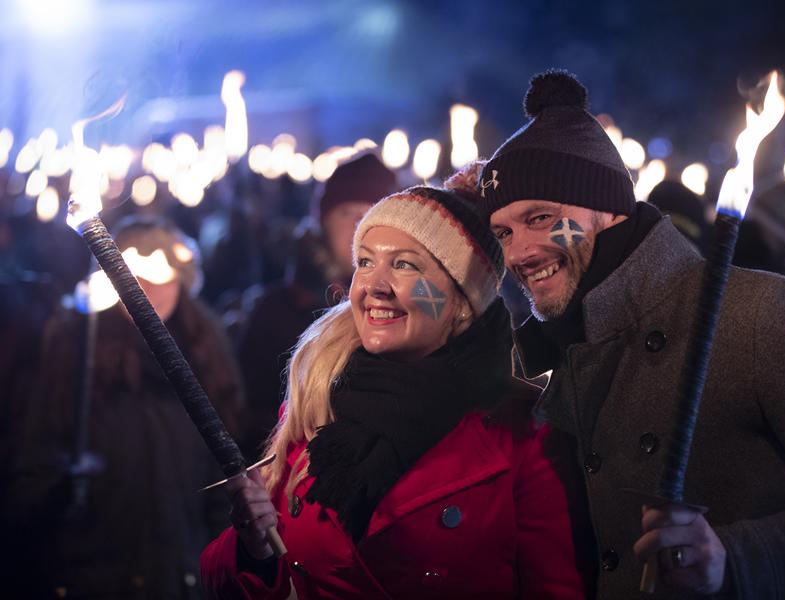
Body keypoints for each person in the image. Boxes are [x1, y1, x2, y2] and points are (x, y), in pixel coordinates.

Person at [471, 69, 785, 599]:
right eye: (504, 232)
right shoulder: (553, 357)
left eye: (541, 217)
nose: (519, 253)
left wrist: (734, 558)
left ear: (609, 209)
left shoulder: (756, 314)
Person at [201, 186, 586, 599]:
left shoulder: (523, 438)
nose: (374, 285)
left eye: (404, 265)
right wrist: (253, 552)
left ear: (462, 302)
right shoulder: (319, 396)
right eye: (365, 262)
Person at [5, 216, 244, 599]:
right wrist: (61, 489)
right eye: (133, 275)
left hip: (180, 580)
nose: (147, 288)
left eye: (163, 274)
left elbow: (220, 482)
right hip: (93, 579)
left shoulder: (205, 358)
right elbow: (27, 477)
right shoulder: (72, 358)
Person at [236, 152, 397, 459]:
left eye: (373, 213)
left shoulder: (408, 309)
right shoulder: (274, 311)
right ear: (322, 223)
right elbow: (250, 417)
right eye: (347, 212)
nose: (359, 225)